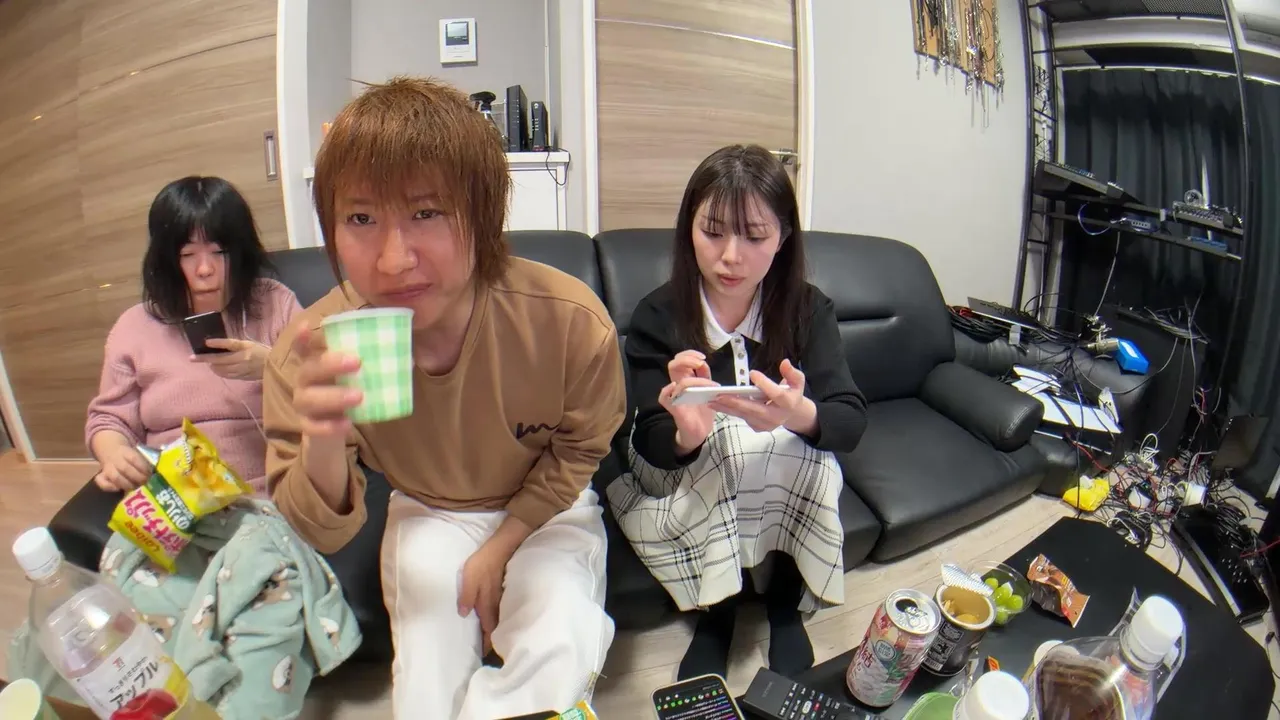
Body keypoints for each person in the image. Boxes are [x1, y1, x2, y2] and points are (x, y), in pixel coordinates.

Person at [262, 77, 625, 720]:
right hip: (428, 506)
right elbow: (318, 530)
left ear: (482, 217)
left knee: (560, 642)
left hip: (547, 511)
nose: (393, 259)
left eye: (426, 213)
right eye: (361, 219)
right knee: (427, 687)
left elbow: (578, 453)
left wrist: (501, 545)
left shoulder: (568, 322)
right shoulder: (311, 350)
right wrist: (322, 438)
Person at [607, 145, 869, 680]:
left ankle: (784, 603)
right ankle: (718, 613)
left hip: (781, 465)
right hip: (689, 469)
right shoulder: (658, 314)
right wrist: (686, 434)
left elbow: (849, 420)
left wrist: (797, 414)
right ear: (688, 230)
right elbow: (648, 436)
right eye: (713, 232)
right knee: (726, 446)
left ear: (783, 237)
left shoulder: (808, 308)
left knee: (803, 451)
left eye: (754, 236)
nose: (731, 257)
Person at [86, 176, 301, 495]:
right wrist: (114, 454)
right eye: (188, 254)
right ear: (166, 261)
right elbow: (109, 420)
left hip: (272, 492)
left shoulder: (276, 302)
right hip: (178, 500)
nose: (204, 269)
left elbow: (329, 389)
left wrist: (274, 365)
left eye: (219, 252)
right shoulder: (134, 326)